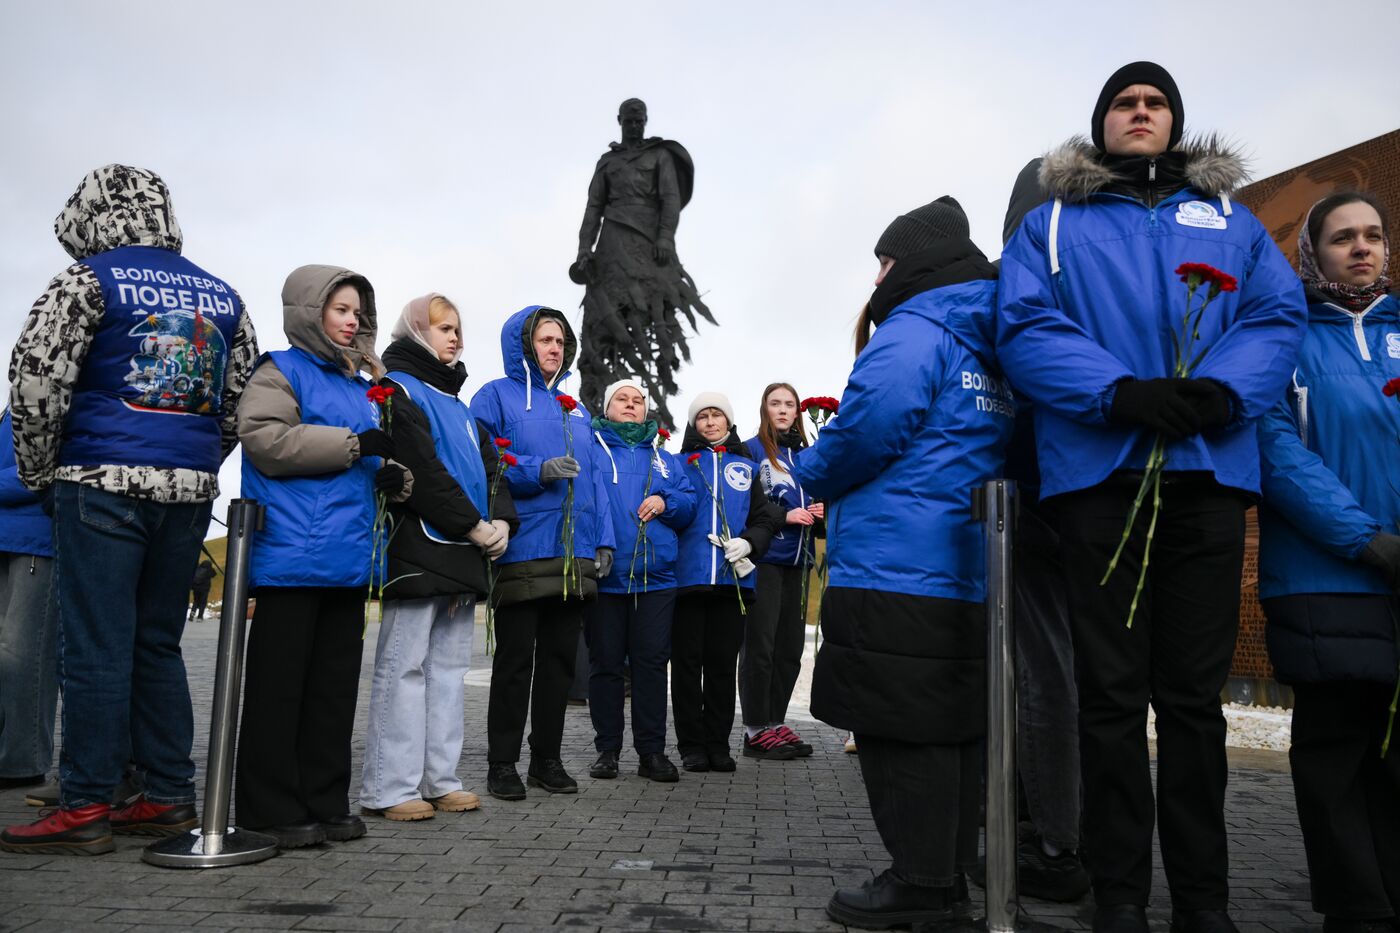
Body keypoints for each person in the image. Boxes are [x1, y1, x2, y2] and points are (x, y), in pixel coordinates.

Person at [996, 62, 1307, 933]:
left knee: (1193, 703)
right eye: (1125, 103)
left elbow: (1276, 319)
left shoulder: (1234, 223)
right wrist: (1119, 392)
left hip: (1207, 477)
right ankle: (1121, 891)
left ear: (1175, 122)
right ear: (1102, 124)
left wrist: (1220, 392)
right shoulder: (1052, 223)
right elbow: (1023, 324)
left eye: (1154, 102)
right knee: (1109, 697)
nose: (1140, 112)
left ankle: (1204, 900)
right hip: (1102, 477)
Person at [1, 165, 257, 855]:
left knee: (93, 647)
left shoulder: (88, 280)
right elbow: (241, 400)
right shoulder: (222, 293)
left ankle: (84, 803)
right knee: (157, 643)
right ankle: (170, 794)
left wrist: (40, 470)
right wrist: (199, 461)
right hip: (187, 491)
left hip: (99, 483)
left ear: (93, 217)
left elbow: (35, 377)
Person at [794, 195, 1013, 928]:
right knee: (950, 728)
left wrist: (812, 468)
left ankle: (920, 883)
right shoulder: (991, 332)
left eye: (884, 259)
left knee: (896, 726)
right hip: (969, 567)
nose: (878, 274)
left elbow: (865, 430)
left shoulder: (916, 327)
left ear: (912, 259)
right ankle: (946, 873)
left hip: (895, 561)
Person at [1257, 191, 1400, 933]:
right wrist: (1368, 540)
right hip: (1328, 580)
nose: (1362, 247)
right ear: (1314, 250)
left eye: (1373, 235)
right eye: (1343, 237)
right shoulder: (1287, 340)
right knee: (1338, 758)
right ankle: (1358, 910)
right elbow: (1279, 455)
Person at [235, 264, 411, 849]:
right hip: (291, 556)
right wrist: (356, 445)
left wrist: (386, 473)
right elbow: (265, 440)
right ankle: (268, 807)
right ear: (310, 312)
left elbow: (356, 459)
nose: (351, 320)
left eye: (358, 311)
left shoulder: (362, 386)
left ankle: (324, 798)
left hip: (346, 557)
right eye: (340, 309)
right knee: (279, 689)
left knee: (333, 692)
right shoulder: (278, 371)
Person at [358, 293, 518, 822]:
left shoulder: (457, 403)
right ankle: (389, 786)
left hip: (466, 547)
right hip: (421, 544)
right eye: (443, 327)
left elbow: (491, 469)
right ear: (415, 331)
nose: (456, 337)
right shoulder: (399, 389)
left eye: (458, 328)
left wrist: (501, 522)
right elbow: (421, 470)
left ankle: (440, 779)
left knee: (449, 669)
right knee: (403, 668)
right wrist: (472, 524)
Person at [990, 158, 1091, 902]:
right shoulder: (1089, 276)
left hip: (1035, 502)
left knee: (1043, 681)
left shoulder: (1006, 285)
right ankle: (1042, 825)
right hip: (1069, 498)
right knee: (1061, 680)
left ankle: (1055, 841)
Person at [470, 306, 615, 801]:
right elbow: (482, 462)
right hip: (524, 546)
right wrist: (537, 469)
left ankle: (546, 760)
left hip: (574, 554)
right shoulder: (495, 395)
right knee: (515, 662)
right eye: (544, 339)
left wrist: (604, 541)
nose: (554, 348)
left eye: (560, 340)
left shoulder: (576, 409)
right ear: (523, 344)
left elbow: (596, 482)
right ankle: (502, 763)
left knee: (558, 663)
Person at [572, 98, 713, 425]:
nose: (634, 125)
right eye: (629, 121)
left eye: (640, 121)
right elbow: (593, 209)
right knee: (605, 318)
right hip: (612, 245)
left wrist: (665, 237)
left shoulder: (659, 155)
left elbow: (670, 200)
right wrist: (584, 250)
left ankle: (652, 402)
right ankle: (602, 404)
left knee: (653, 314)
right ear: (620, 120)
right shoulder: (607, 163)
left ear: (645, 121)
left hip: (649, 245)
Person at [585, 378, 696, 782]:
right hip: (607, 576)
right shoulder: (591, 449)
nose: (631, 405)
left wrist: (667, 501)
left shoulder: (666, 458)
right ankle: (607, 751)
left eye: (637, 400)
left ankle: (651, 752)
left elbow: (689, 504)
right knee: (606, 664)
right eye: (622, 399)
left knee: (651, 665)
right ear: (607, 407)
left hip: (657, 578)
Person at [672, 392, 782, 773]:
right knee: (687, 666)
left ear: (729, 422)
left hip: (731, 583)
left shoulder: (747, 468)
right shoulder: (678, 464)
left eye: (717, 415)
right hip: (687, 581)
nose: (710, 422)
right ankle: (691, 745)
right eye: (702, 417)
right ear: (694, 425)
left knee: (721, 665)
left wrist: (749, 542)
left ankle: (718, 743)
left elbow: (766, 520)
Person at [739, 383, 822, 759]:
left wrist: (822, 509)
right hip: (766, 560)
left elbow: (819, 494)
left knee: (789, 650)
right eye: (776, 403)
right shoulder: (751, 450)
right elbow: (743, 504)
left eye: (790, 404)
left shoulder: (807, 454)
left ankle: (774, 721)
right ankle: (754, 729)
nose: (784, 410)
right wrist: (783, 515)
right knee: (761, 648)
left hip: (799, 561)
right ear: (764, 408)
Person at [0, 410, 58, 795]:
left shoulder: (53, 396)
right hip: (8, 536)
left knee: (26, 654)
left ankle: (23, 760)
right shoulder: (11, 407)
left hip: (38, 540)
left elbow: (46, 469)